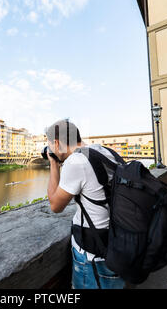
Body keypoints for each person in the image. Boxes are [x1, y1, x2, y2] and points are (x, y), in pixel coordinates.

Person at [45, 119, 125, 289]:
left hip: (93, 253)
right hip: (119, 240)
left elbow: (55, 206)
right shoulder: (104, 151)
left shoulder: (76, 162)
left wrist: (53, 164)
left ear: (57, 143)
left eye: (50, 144)